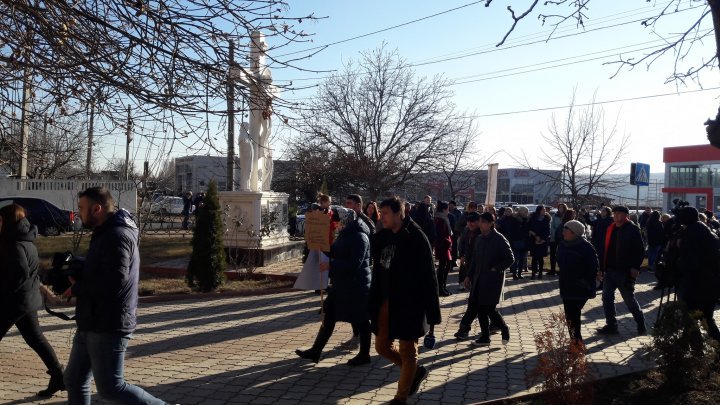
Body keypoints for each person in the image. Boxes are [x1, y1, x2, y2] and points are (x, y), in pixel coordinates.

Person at [62, 187, 165, 404]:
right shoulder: (106, 233)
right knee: (74, 378)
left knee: (111, 388)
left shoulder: (116, 236)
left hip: (108, 324)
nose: (78, 212)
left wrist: (78, 288)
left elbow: (114, 284)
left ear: (97, 208)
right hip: (92, 319)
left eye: (81, 208)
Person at [370, 197, 441, 404]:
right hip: (385, 300)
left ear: (398, 214)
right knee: (382, 346)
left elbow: (430, 276)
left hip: (410, 303)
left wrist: (433, 312)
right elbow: (377, 267)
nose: (381, 217)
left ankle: (401, 397)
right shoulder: (382, 236)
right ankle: (416, 372)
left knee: (408, 351)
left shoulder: (416, 237)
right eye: (380, 213)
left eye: (385, 213)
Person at [0, 204, 65, 397]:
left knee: (35, 339)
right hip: (24, 300)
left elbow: (18, 274)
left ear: (7, 221)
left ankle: (59, 375)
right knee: (35, 339)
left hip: (13, 302)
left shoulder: (12, 243)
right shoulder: (24, 239)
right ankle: (58, 375)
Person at [296, 208, 373, 365]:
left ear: (345, 220)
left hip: (356, 286)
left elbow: (354, 264)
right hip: (341, 285)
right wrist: (322, 249)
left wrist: (330, 265)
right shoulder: (346, 233)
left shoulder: (360, 236)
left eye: (337, 221)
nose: (335, 224)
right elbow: (339, 253)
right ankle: (316, 351)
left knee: (361, 320)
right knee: (329, 315)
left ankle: (364, 355)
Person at [464, 212, 514, 346]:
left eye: (483, 222)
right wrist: (469, 275)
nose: (481, 224)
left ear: (491, 223)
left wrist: (496, 268)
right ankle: (485, 337)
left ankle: (504, 328)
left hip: (493, 280)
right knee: (480, 308)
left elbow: (510, 258)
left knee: (489, 308)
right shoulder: (479, 239)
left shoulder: (499, 239)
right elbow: (475, 260)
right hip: (479, 278)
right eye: (480, 222)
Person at [597, 205, 647, 336]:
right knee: (606, 298)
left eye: (619, 213)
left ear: (626, 215)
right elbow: (604, 249)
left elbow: (640, 250)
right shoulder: (611, 228)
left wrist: (635, 267)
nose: (616, 216)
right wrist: (601, 269)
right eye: (614, 214)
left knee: (629, 300)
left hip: (624, 271)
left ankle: (641, 324)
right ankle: (611, 325)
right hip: (609, 270)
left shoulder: (632, 229)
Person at [674, 206, 720, 341]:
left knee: (691, 317)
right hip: (710, 283)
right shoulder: (707, 232)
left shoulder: (691, 236)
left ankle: (698, 350)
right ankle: (713, 348)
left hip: (696, 284)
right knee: (706, 318)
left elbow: (691, 262)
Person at [557, 220, 599, 345]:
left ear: (574, 232)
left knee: (573, 315)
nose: (563, 231)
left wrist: (582, 279)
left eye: (566, 229)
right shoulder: (563, 244)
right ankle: (575, 342)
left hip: (581, 286)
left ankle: (577, 344)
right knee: (570, 316)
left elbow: (593, 266)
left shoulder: (585, 247)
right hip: (566, 285)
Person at [434, 201, 453, 297]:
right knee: (442, 268)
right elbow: (440, 235)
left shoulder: (442, 218)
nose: (448, 211)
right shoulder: (440, 220)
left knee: (445, 267)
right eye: (447, 209)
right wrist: (448, 242)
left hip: (444, 246)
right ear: (444, 210)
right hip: (442, 246)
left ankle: (443, 287)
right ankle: (440, 288)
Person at [528, 205, 551, 279]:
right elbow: (529, 227)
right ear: (539, 210)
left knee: (541, 258)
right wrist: (535, 236)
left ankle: (540, 273)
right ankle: (533, 273)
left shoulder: (547, 218)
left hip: (543, 240)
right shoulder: (533, 218)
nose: (544, 211)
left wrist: (542, 239)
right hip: (534, 240)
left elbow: (547, 231)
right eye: (543, 209)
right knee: (534, 258)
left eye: (545, 209)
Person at [548, 203, 567, 276]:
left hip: (563, 238)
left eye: (562, 207)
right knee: (552, 254)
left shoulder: (566, 216)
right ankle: (552, 270)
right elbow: (552, 226)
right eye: (560, 207)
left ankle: (561, 270)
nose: (561, 209)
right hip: (554, 237)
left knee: (562, 254)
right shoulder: (555, 216)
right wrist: (554, 234)